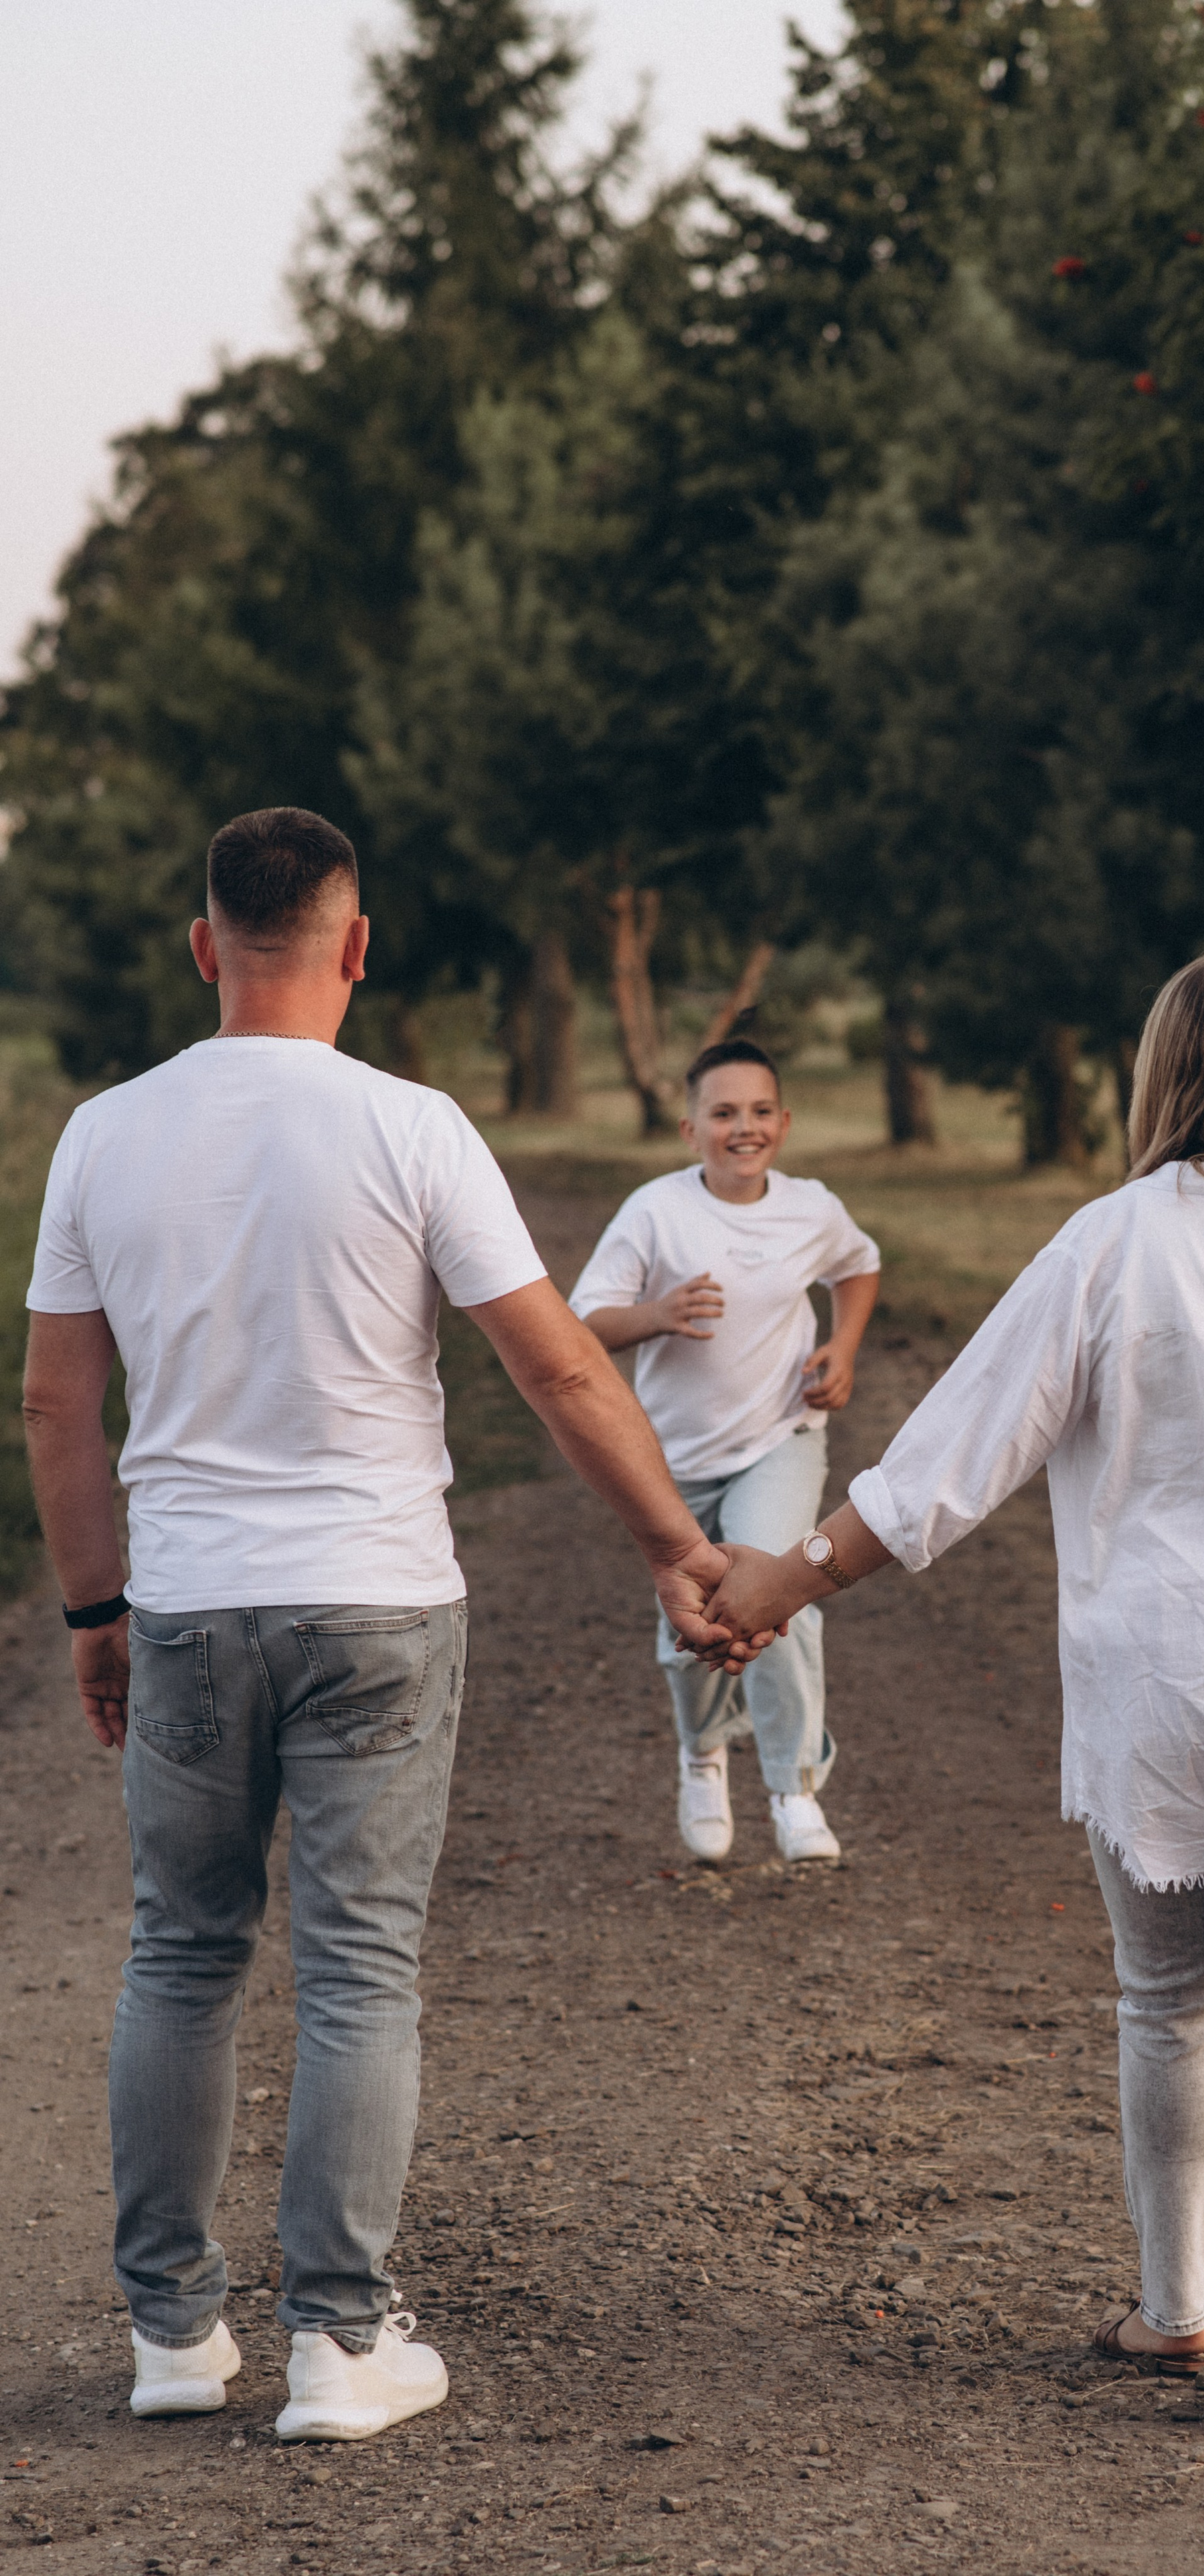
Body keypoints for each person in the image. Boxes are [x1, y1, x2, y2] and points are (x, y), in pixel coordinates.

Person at [695, 951, 1204, 2430]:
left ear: (1153, 1076)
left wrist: (783, 1575)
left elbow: (944, 1464)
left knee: (1165, 1998)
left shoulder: (1108, 1243)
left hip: (1163, 1676)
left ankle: (1171, 2309)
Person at [21, 808, 738, 2443]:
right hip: (379, 1601)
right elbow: (556, 1365)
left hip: (192, 1605)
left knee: (181, 1949)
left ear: (205, 947)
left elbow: (60, 1400)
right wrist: (674, 1548)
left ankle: (173, 2334)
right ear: (357, 945)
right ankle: (338, 2344)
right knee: (358, 1964)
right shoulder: (413, 1128)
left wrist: (93, 1606)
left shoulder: (100, 1135)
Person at [572, 1036, 880, 1865]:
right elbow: (585, 1321)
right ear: (689, 1127)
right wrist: (659, 1314)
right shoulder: (655, 1210)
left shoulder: (811, 1206)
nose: (742, 1127)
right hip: (670, 1459)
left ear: (783, 1121)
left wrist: (843, 1348)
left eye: (758, 1111)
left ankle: (793, 1786)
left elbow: (859, 1265)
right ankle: (703, 1754)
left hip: (779, 1438)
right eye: (722, 1113)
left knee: (781, 1590)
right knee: (693, 1615)